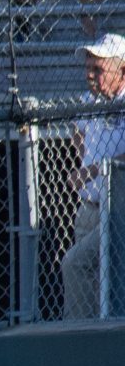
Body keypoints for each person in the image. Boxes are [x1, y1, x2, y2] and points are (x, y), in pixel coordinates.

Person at [64, 33, 125, 317]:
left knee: (75, 264)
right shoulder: (90, 100)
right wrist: (83, 160)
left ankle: (79, 336)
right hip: (89, 207)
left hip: (118, 211)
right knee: (94, 281)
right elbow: (78, 130)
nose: (89, 75)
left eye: (97, 69)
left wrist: (93, 169)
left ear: (121, 70)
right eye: (88, 68)